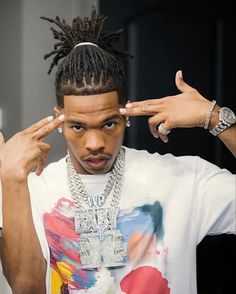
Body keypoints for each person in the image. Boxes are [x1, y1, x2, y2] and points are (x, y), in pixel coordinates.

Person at [0, 8, 235, 294]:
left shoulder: (185, 179)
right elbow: (26, 288)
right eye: (78, 127)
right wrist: (11, 179)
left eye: (109, 123)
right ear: (59, 118)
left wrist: (216, 119)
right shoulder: (30, 191)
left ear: (126, 115)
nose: (95, 143)